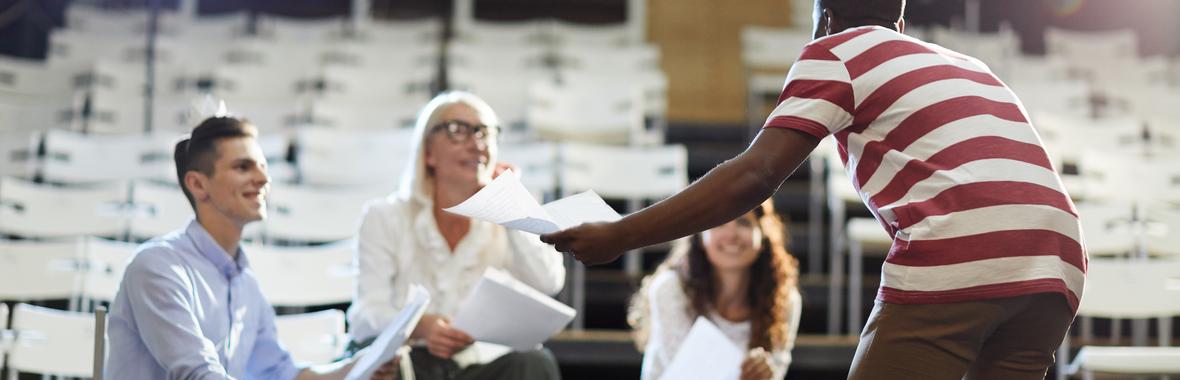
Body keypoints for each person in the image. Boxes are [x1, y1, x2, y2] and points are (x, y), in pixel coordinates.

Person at [541, 0, 1086, 378]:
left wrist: (619, 235)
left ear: (824, 17)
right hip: (1057, 259)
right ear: (897, 18)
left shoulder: (837, 51)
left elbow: (755, 176)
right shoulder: (973, 65)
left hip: (965, 247)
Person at [106, 116, 399, 379]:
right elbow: (198, 374)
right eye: (243, 167)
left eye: (262, 167)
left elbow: (281, 374)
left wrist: (358, 368)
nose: (262, 179)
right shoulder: (158, 266)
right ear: (197, 185)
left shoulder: (246, 285)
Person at [346, 91, 565, 380]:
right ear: (428, 153)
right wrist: (420, 326)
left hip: (476, 365)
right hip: (408, 358)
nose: (476, 145)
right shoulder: (384, 215)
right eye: (457, 131)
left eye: (484, 133)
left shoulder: (510, 213)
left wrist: (511, 205)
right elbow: (366, 314)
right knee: (382, 364)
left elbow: (548, 282)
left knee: (536, 363)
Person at [629, 200, 802, 380]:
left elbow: (778, 370)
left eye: (744, 223)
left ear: (763, 235)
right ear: (701, 238)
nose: (731, 234)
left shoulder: (784, 300)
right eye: (719, 224)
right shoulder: (670, 289)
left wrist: (766, 374)